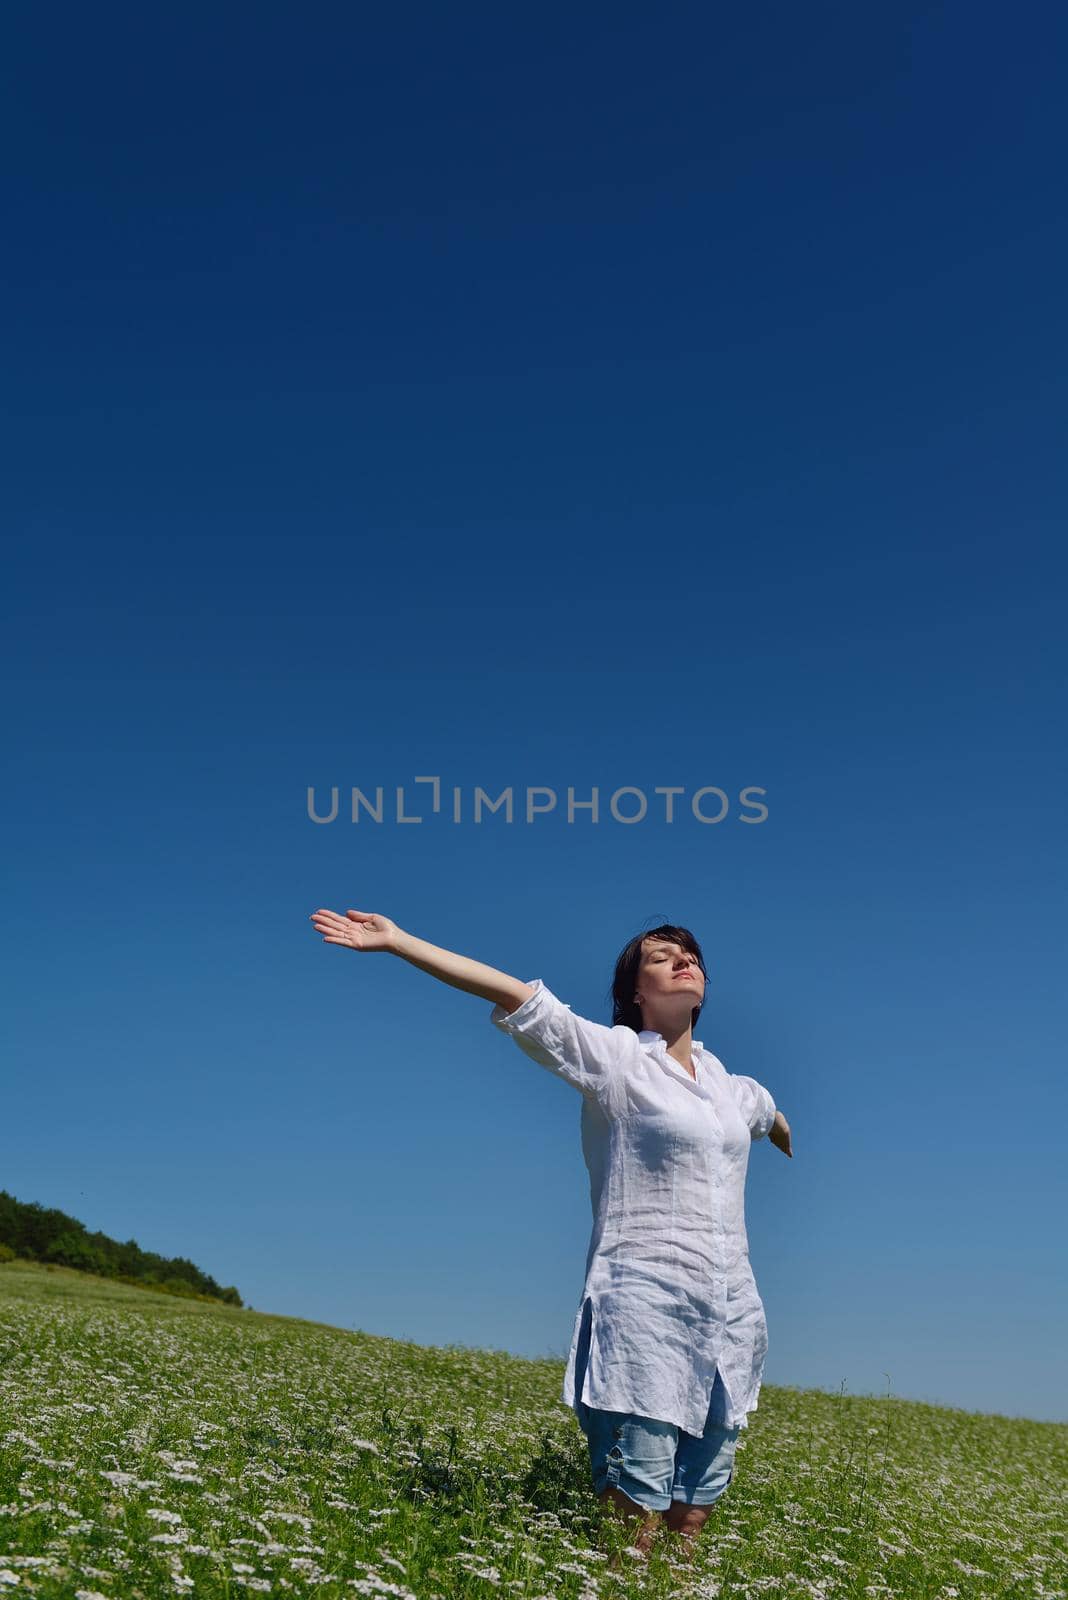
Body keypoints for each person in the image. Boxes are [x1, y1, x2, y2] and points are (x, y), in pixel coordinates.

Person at [308, 907, 792, 1562]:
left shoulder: (734, 1089)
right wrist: (398, 942)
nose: (684, 960)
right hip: (644, 1311)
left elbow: (768, 1114)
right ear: (635, 993)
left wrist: (786, 1133)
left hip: (731, 1322)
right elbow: (515, 994)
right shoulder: (617, 1059)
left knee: (691, 1520)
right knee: (636, 1524)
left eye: (691, 954)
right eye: (661, 956)